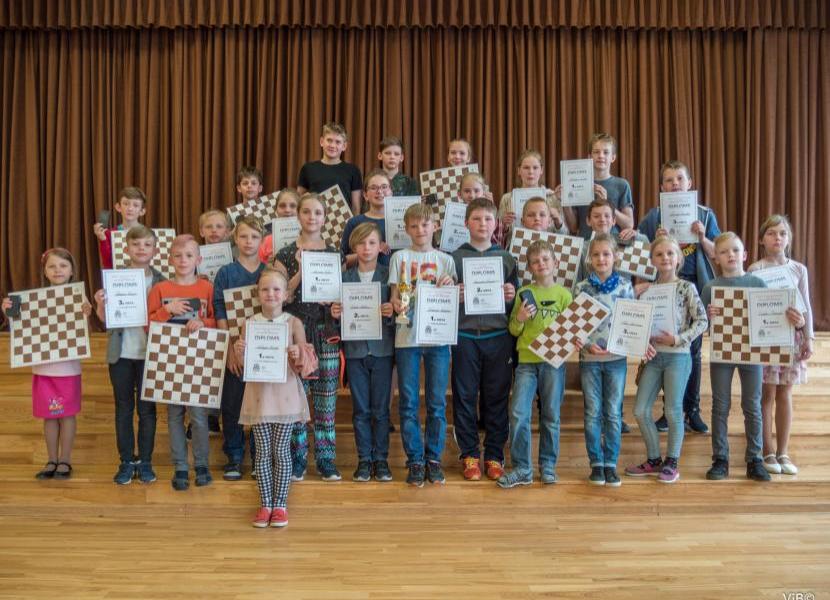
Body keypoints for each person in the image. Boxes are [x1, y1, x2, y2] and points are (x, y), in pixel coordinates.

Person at [702, 232, 804, 482]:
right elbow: (700, 325)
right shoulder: (710, 287)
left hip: (752, 353)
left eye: (735, 250)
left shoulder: (757, 283)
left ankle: (755, 459)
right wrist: (707, 316)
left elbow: (774, 317)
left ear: (745, 255)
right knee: (720, 406)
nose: (730, 255)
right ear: (716, 258)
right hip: (723, 353)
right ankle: (720, 459)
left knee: (752, 405)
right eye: (724, 251)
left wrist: (798, 321)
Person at [638, 160, 719, 434]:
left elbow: (717, 253)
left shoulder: (705, 215)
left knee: (692, 350)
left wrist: (702, 237)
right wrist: (654, 241)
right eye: (669, 180)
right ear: (662, 187)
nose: (675, 184)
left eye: (679, 179)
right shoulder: (653, 217)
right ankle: (669, 410)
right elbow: (641, 255)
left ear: (689, 184)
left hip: (694, 286)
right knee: (666, 350)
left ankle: (691, 410)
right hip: (663, 288)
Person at [2, 248, 92, 480]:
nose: (57, 270)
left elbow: (83, 325)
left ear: (72, 271)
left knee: (67, 415)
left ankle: (65, 460)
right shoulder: (33, 300)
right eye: (52, 266)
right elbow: (20, 324)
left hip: (68, 370)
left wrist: (87, 311)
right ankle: (51, 459)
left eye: (63, 265)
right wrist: (9, 310)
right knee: (49, 416)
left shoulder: (78, 297)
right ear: (44, 271)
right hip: (43, 369)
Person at [236, 267, 315, 528]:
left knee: (280, 451)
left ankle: (280, 505)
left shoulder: (293, 323)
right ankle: (265, 505)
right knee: (261, 454)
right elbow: (243, 364)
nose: (271, 294)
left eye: (276, 289)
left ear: (286, 295)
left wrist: (297, 353)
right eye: (265, 289)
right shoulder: (249, 323)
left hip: (285, 396)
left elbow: (305, 363)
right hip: (259, 396)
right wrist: (239, 350)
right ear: (257, 293)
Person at [274, 193, 344, 482]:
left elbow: (341, 295)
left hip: (326, 333)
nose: (312, 217)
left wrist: (337, 304)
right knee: (297, 399)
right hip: (297, 334)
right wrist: (302, 271)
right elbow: (281, 296)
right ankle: (298, 458)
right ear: (298, 215)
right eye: (306, 212)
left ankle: (326, 459)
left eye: (317, 212)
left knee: (326, 401)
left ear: (324, 217)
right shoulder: (285, 254)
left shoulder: (335, 254)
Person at [626, 236, 707, 483]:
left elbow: (702, 321)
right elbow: (634, 323)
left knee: (673, 410)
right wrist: (642, 342)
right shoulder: (646, 290)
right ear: (651, 260)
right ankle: (654, 459)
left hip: (677, 357)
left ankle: (672, 461)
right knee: (640, 410)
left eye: (670, 253)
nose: (665, 258)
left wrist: (678, 339)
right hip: (653, 358)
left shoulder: (686, 287)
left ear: (679, 258)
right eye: (659, 254)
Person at [388, 203, 457, 486]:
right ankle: (415, 459)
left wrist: (450, 285)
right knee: (408, 402)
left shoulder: (446, 260)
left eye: (425, 225)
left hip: (438, 339)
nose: (420, 230)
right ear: (406, 229)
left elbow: (453, 298)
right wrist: (395, 304)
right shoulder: (399, 257)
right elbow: (394, 297)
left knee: (436, 402)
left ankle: (433, 459)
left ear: (435, 226)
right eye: (414, 226)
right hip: (407, 337)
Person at [451, 198, 518, 481]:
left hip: (498, 337)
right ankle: (469, 454)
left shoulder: (507, 258)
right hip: (464, 337)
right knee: (464, 397)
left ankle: (494, 454)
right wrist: (454, 295)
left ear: (496, 224)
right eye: (476, 219)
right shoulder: (453, 258)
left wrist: (511, 295)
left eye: (488, 219)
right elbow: (440, 301)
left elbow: (517, 305)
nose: (482, 224)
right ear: (466, 223)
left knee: (496, 398)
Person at [93, 226, 165, 485]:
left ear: (155, 250)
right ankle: (125, 461)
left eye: (147, 244)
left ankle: (145, 461)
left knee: (147, 411)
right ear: (127, 249)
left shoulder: (163, 281)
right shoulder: (115, 278)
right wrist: (100, 304)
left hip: (150, 355)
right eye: (136, 244)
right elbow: (105, 320)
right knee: (123, 409)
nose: (141, 249)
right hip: (121, 354)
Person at [498, 240, 571, 488]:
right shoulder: (523, 293)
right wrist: (519, 317)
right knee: (519, 414)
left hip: (553, 363)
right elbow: (514, 329)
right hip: (526, 363)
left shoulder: (564, 295)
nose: (541, 264)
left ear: (555, 263)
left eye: (545, 259)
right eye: (535, 262)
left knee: (551, 415)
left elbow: (572, 331)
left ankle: (548, 466)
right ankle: (522, 468)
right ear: (529, 267)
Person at [147, 234, 217, 490]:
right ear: (170, 259)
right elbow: (148, 325)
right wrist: (167, 310)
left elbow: (217, 321)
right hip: (169, 361)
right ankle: (180, 466)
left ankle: (202, 464)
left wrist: (203, 322)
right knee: (174, 415)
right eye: (178, 256)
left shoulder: (207, 288)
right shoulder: (160, 289)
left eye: (189, 255)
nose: (183, 260)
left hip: (199, 361)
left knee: (198, 416)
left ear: (198, 259)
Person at [748, 215, 814, 475]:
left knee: (785, 394)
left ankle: (783, 451)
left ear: (789, 239)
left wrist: (807, 335)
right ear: (761, 240)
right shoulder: (755, 269)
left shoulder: (798, 269)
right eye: (772, 233)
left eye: (783, 233)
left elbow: (806, 305)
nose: (778, 237)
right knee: (766, 395)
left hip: (791, 339)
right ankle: (767, 451)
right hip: (765, 339)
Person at [331, 223, 396, 482]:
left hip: (382, 351)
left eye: (372, 243)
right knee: (360, 410)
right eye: (361, 243)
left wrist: (391, 312)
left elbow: (399, 311)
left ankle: (381, 460)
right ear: (353, 247)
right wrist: (335, 314)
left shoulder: (388, 275)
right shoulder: (344, 278)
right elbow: (337, 318)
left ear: (381, 247)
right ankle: (364, 460)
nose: (366, 248)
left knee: (380, 410)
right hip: (355, 351)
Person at [573, 234, 637, 487]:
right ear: (589, 258)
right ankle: (596, 463)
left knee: (612, 412)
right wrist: (586, 344)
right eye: (596, 254)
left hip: (616, 359)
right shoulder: (581, 288)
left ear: (615, 256)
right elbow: (574, 328)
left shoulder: (625, 287)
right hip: (589, 359)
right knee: (592, 412)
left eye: (606, 254)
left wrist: (626, 343)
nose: (601, 259)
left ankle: (610, 463)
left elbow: (632, 324)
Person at [212, 216, 266, 481]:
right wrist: (230, 348)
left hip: (262, 350)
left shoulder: (268, 271)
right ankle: (233, 456)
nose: (248, 241)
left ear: (262, 240)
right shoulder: (226, 272)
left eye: (254, 237)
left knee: (259, 405)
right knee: (232, 404)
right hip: (234, 347)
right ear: (235, 238)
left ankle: (259, 456)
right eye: (243, 236)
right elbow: (220, 309)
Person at [562, 133, 634, 238]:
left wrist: (607, 202)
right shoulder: (578, 183)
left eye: (606, 152)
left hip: (612, 244)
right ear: (589, 156)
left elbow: (629, 224)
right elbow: (573, 227)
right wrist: (566, 202)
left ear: (613, 157)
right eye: (596, 152)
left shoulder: (622, 185)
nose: (601, 156)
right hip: (584, 243)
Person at [498, 149, 567, 243]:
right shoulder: (507, 199)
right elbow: (497, 236)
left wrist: (558, 220)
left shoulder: (553, 198)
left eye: (535, 168)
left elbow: (565, 235)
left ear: (541, 170)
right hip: (517, 247)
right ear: (519, 170)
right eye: (526, 168)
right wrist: (503, 225)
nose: (531, 172)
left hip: (546, 248)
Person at [297, 122, 363, 214]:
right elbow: (299, 200)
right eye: (329, 140)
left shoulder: (353, 170)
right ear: (321, 142)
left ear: (344, 146)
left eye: (338, 142)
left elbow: (356, 206)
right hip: (314, 220)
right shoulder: (307, 168)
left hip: (343, 221)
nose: (332, 145)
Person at [341, 170, 393, 269]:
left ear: (391, 192)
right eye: (373, 188)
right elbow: (342, 261)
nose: (379, 191)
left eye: (384, 187)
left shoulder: (402, 222)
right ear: (365, 195)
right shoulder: (354, 222)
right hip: (361, 278)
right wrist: (371, 250)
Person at [93, 186, 147, 269]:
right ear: (118, 207)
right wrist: (103, 240)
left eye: (135, 205)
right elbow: (108, 264)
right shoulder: (109, 233)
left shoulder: (149, 234)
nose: (130, 208)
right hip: (119, 276)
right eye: (126, 204)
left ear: (142, 211)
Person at [259, 188, 301, 263]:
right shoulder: (265, 241)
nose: (287, 210)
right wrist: (266, 264)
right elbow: (255, 267)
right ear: (276, 210)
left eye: (293, 206)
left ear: (300, 210)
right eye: (282, 206)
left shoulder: (309, 239)